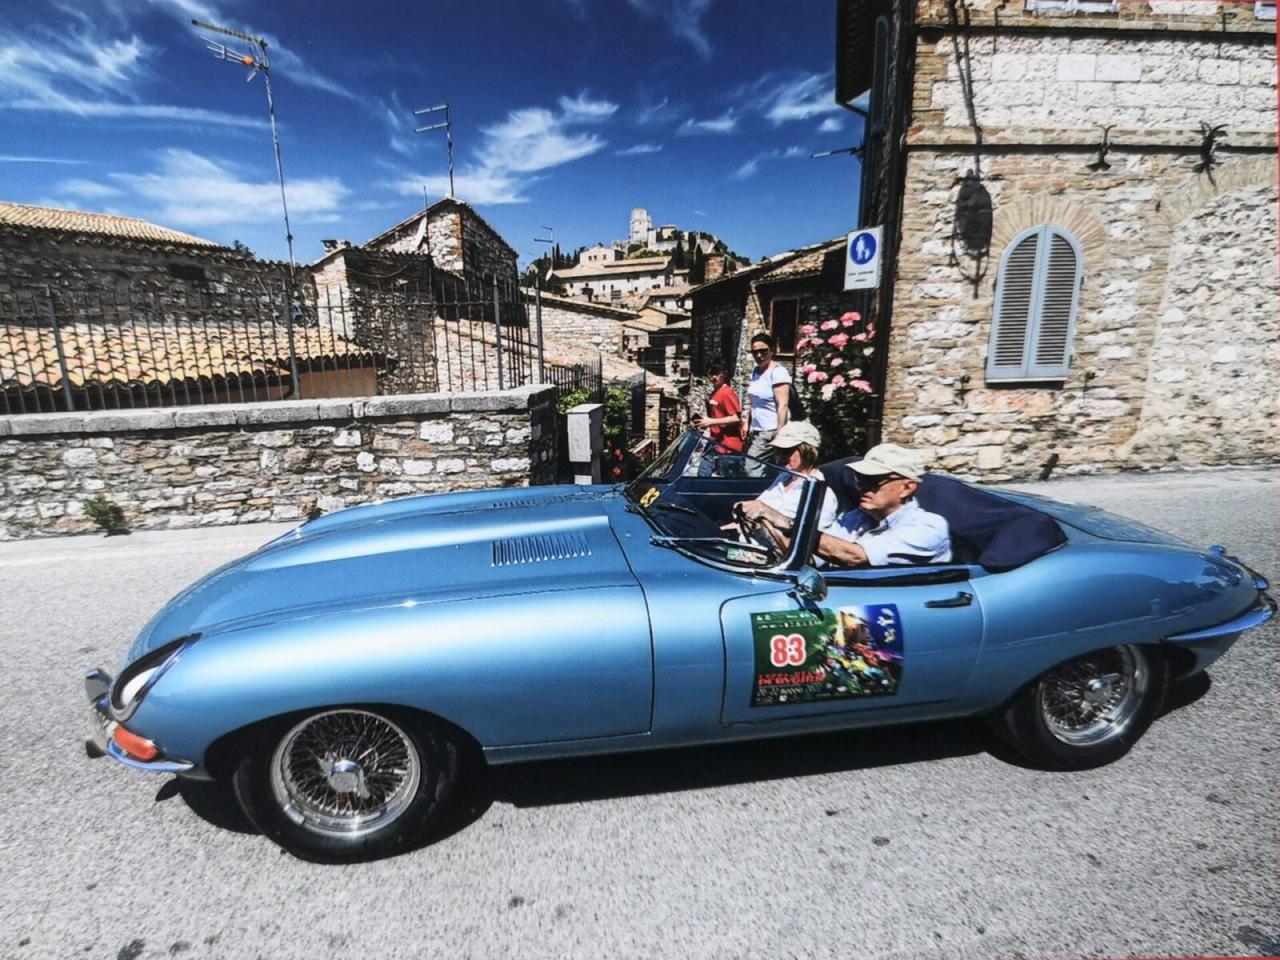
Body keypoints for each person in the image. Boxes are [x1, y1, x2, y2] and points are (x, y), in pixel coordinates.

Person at [817, 443, 951, 567]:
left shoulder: (928, 527)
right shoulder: (855, 518)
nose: (864, 487)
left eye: (874, 480)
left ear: (906, 488)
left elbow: (855, 556)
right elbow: (817, 556)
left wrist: (801, 533)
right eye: (860, 478)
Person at [734, 420, 838, 535]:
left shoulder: (822, 493)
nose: (779, 457)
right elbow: (757, 510)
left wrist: (770, 514)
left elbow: (814, 541)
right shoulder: (784, 477)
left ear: (808, 451)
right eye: (778, 451)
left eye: (786, 451)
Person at [744, 333, 793, 474]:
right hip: (759, 429)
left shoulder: (778, 372)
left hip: (771, 429)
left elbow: (783, 404)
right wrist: (747, 422)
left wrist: (779, 433)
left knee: (751, 465)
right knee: (771, 468)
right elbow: (753, 400)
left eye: (763, 351)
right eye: (755, 352)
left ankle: (754, 493)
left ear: (772, 350)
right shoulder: (756, 372)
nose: (759, 355)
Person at [692, 360, 744, 454]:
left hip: (728, 446)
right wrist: (704, 423)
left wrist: (711, 421)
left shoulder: (727, 393)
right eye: (710, 374)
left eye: (716, 373)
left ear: (724, 373)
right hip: (715, 443)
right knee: (703, 468)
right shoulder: (714, 393)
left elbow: (736, 418)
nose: (713, 377)